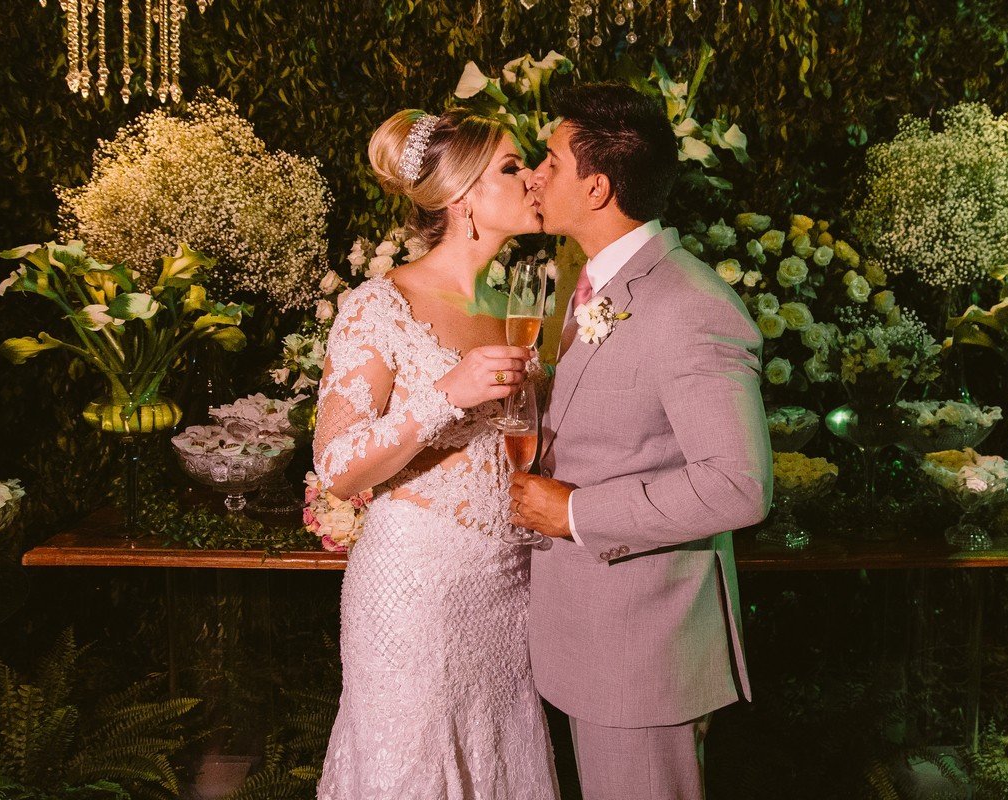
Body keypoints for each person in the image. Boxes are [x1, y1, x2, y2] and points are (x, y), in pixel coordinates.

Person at [511, 83, 773, 800]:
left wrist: (574, 512)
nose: (534, 175)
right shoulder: (593, 285)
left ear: (596, 188)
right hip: (593, 636)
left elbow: (739, 485)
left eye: (550, 162)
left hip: (643, 652)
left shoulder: (689, 304)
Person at [313, 108, 558, 800]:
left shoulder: (517, 307)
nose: (533, 177)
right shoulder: (381, 304)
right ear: (461, 198)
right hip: (415, 588)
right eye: (511, 167)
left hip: (510, 585)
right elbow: (336, 466)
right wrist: (447, 393)